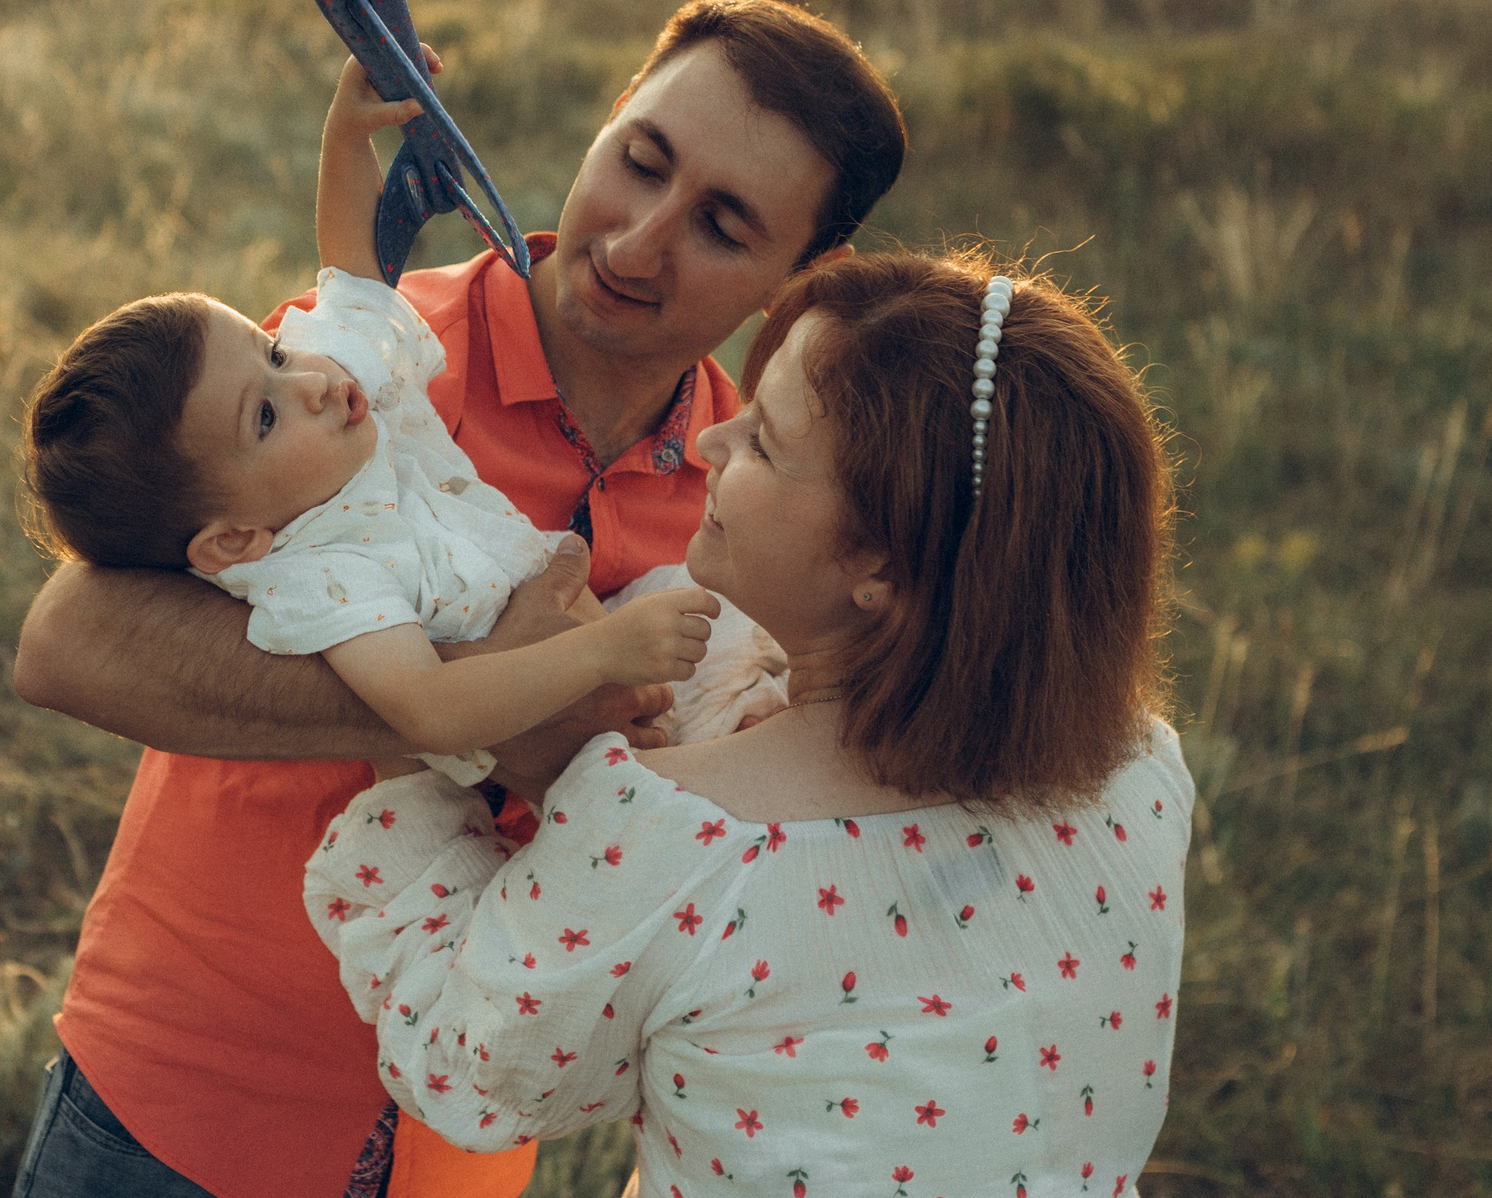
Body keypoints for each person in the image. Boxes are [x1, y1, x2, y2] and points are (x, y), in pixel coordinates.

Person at [10, 0, 908, 1198]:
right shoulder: (359, 374)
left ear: (801, 281)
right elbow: (66, 644)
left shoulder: (754, 492)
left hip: (467, 1140)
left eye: (723, 226)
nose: (637, 244)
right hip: (187, 1114)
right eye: (639, 160)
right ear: (603, 127)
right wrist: (478, 704)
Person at [304, 253, 1189, 1197]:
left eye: (765, 442)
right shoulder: (1139, 776)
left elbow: (469, 1063)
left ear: (879, 568)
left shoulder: (678, 836)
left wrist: (409, 743)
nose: (712, 441)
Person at [23, 60, 717, 779]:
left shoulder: (339, 396)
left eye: (275, 353)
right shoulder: (330, 573)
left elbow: (350, 271)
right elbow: (431, 708)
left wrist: (347, 135)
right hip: (560, 766)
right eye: (264, 416)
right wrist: (602, 653)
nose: (312, 383)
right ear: (235, 539)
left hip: (624, 699)